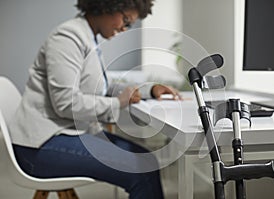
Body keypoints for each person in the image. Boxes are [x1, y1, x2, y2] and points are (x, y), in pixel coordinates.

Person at [8, 0, 181, 198]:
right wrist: (118, 103)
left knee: (147, 161)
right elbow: (65, 103)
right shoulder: (67, 38)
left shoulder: (87, 38)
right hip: (40, 147)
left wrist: (150, 90)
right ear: (107, 6)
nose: (125, 28)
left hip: (63, 135)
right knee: (141, 168)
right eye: (125, 20)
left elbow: (101, 88)